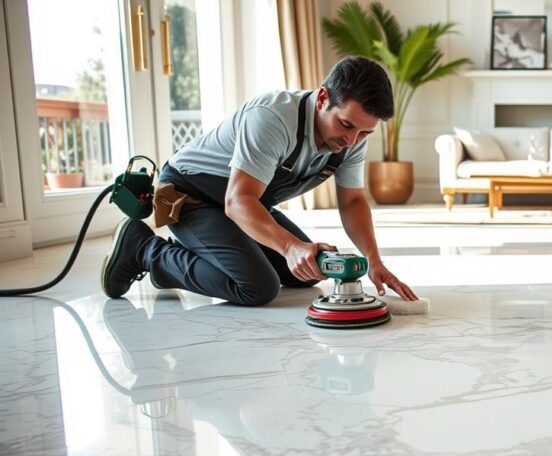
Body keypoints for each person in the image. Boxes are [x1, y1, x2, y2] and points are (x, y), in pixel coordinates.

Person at [100, 56, 417, 306]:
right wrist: (290, 246)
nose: (352, 140)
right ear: (322, 98)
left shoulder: (351, 139)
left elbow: (353, 200)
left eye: (364, 133)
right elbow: (238, 201)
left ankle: (185, 263)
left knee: (309, 270)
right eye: (346, 125)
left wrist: (374, 260)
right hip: (192, 194)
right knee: (257, 287)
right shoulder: (273, 118)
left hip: (247, 201)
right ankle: (145, 250)